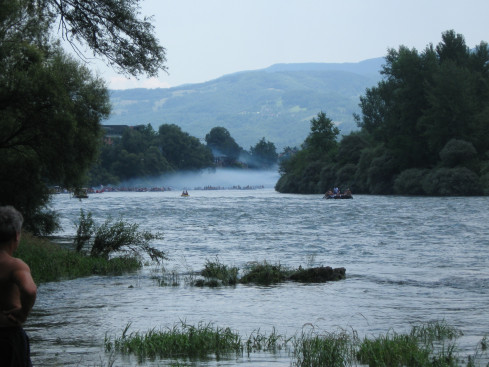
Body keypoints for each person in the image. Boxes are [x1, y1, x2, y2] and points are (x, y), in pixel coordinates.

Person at [0, 206, 37, 367]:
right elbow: (30, 290)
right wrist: (23, 313)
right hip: (7, 336)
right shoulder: (15, 265)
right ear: (16, 236)